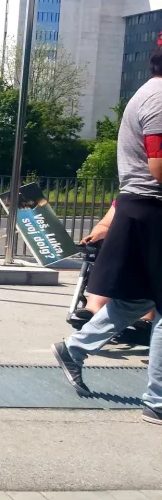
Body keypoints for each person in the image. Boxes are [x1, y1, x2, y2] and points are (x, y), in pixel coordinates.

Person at [52, 35, 162, 425]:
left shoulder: (150, 94)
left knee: (134, 301)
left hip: (142, 210)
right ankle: (158, 401)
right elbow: (159, 168)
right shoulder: (160, 100)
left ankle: (74, 349)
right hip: (153, 210)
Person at [76, 201, 154, 327]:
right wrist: (95, 234)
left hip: (150, 255)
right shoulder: (128, 199)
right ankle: (93, 309)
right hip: (124, 250)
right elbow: (105, 225)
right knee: (107, 263)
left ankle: (145, 318)